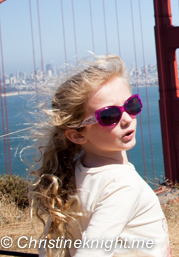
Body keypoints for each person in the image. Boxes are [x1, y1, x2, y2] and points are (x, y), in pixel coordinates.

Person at [30, 55, 171, 256]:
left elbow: (49, 248)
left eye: (131, 105)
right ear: (77, 135)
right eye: (108, 116)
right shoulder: (123, 186)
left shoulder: (75, 170)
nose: (126, 119)